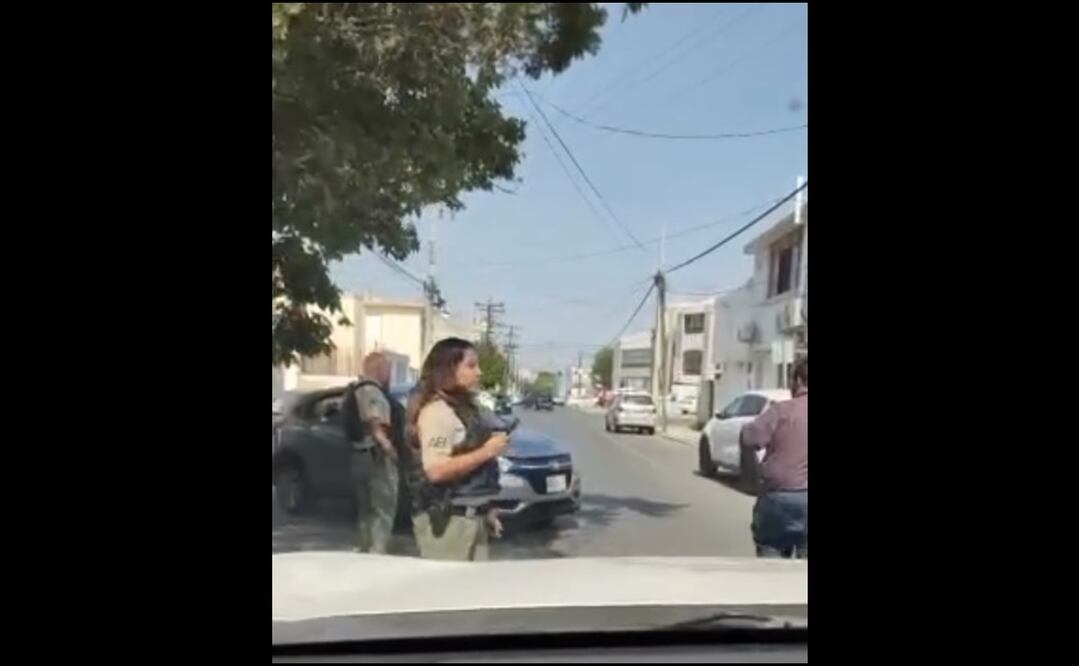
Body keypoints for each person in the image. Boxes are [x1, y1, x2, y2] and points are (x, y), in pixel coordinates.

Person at [405, 337, 509, 561]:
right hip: (449, 523)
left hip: (472, 518)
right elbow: (436, 471)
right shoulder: (437, 413)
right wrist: (487, 451)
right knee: (448, 593)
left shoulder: (464, 410)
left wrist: (486, 510)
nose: (479, 372)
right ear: (449, 369)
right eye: (471, 366)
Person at [741, 356, 808, 558]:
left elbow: (749, 438)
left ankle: (772, 584)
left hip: (779, 497)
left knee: (771, 549)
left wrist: (752, 478)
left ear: (797, 380)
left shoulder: (781, 411)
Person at [349, 352, 400, 554]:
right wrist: (389, 448)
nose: (390, 373)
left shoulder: (358, 389)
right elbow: (374, 422)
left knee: (366, 511)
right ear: (379, 369)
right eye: (388, 368)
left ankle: (364, 549)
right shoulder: (371, 391)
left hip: (361, 454)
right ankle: (376, 554)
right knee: (383, 508)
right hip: (375, 455)